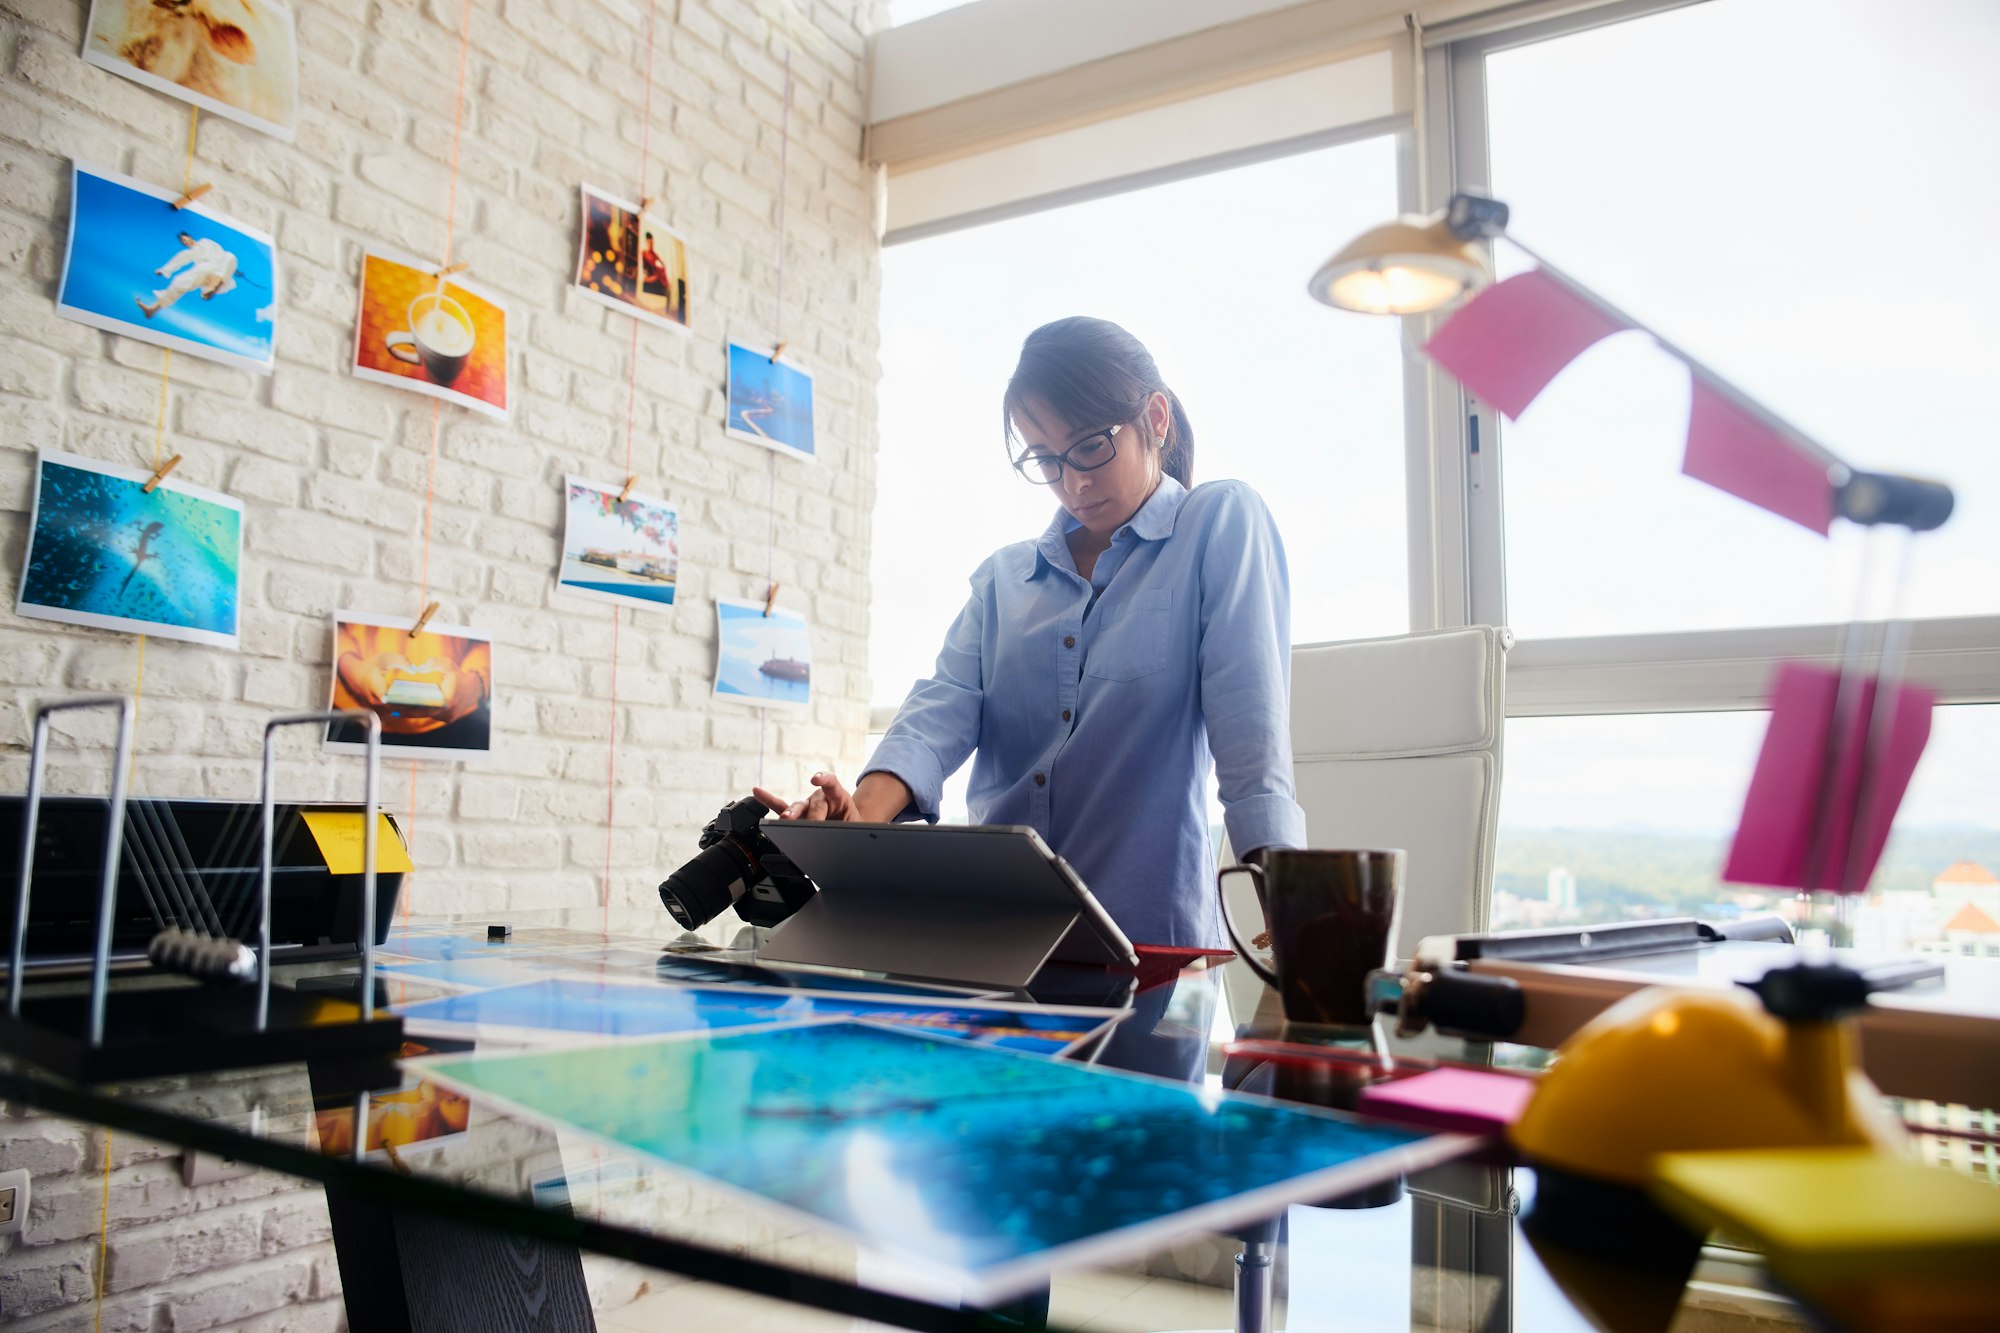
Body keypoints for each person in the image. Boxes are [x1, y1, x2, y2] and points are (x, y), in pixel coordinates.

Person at [755, 316, 1305, 948]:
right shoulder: (1003, 579)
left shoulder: (1216, 525)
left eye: (1092, 447)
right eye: (1045, 459)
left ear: (1155, 418)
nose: (1073, 483)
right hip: (998, 936)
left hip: (1147, 947)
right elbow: (935, 719)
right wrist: (855, 822)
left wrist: (1294, 916)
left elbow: (1252, 740)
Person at [136, 231, 238, 317]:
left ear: (189, 237)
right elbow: (178, 261)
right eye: (183, 242)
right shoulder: (189, 253)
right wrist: (164, 270)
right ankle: (153, 309)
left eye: (185, 239)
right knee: (179, 281)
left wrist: (225, 267)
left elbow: (220, 251)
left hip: (219, 267)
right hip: (204, 271)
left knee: (229, 256)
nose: (185, 242)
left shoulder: (205, 242)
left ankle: (214, 286)